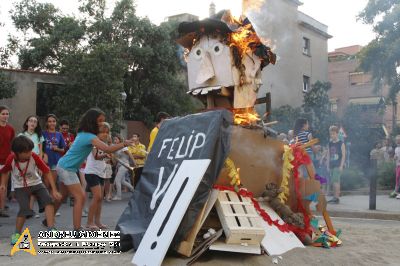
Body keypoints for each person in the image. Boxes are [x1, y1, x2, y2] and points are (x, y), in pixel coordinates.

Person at [53, 108, 133, 231]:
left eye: (103, 121)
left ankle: (48, 217)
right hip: (67, 168)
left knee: (63, 196)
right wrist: (124, 143)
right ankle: (77, 229)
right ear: (92, 121)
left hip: (66, 166)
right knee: (80, 197)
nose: (101, 123)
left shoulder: (84, 133)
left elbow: (104, 146)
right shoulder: (89, 136)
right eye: (100, 121)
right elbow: (107, 149)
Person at [0, 135, 62, 245]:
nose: (30, 153)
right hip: (20, 186)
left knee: (48, 201)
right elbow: (5, 171)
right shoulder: (11, 159)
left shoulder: (34, 156)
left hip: (36, 183)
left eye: (30, 150)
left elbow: (47, 171)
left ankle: (51, 229)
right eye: (27, 152)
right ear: (18, 153)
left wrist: (54, 189)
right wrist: (3, 184)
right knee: (24, 209)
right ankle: (17, 234)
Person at [84, 122, 111, 230]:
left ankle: (98, 221)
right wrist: (105, 154)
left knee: (100, 199)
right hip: (91, 172)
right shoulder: (94, 143)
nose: (105, 134)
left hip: (101, 172)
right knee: (97, 197)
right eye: (102, 132)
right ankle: (89, 222)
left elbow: (103, 158)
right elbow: (96, 156)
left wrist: (108, 157)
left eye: (107, 132)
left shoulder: (105, 145)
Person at [19, 115, 45, 218]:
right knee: (24, 187)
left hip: (35, 163)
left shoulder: (39, 136)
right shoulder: (21, 135)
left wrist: (40, 165)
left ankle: (30, 210)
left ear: (37, 124)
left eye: (35, 121)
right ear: (27, 123)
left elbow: (40, 151)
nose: (33, 123)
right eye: (30, 121)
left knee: (34, 186)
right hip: (24, 163)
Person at [43, 114, 66, 186]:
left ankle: (51, 197)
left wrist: (57, 149)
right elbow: (39, 147)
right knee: (46, 183)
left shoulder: (59, 134)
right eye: (49, 121)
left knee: (52, 183)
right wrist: (44, 154)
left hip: (55, 161)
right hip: (45, 161)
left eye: (53, 121)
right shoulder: (43, 133)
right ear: (47, 123)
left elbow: (63, 150)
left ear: (56, 123)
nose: (52, 123)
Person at [0, 105, 15, 217]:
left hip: (6, 161)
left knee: (3, 186)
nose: (5, 116)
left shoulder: (10, 129)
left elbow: (11, 144)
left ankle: (1, 209)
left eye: (7, 114)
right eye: (3, 114)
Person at [112, 135, 135, 200]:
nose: (115, 141)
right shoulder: (116, 147)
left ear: (120, 140)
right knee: (122, 181)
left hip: (125, 165)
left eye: (116, 139)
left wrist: (134, 163)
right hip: (120, 165)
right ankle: (134, 190)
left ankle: (118, 196)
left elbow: (130, 154)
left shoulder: (123, 147)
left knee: (117, 180)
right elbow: (115, 158)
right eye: (114, 139)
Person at [327, 125, 346, 204]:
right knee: (334, 181)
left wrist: (341, 166)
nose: (332, 135)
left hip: (338, 165)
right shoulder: (330, 143)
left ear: (337, 134)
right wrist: (327, 165)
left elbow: (343, 155)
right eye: (331, 134)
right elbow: (328, 155)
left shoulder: (341, 143)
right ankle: (335, 197)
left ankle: (336, 198)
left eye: (334, 134)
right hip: (331, 164)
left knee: (336, 181)